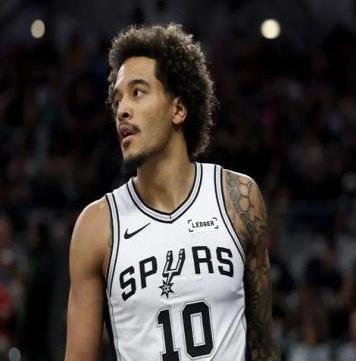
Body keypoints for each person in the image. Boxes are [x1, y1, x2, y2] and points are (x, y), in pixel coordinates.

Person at [65, 24, 280, 361]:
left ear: (178, 110)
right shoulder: (97, 226)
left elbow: (264, 345)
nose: (122, 110)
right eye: (117, 99)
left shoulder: (237, 197)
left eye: (138, 92)